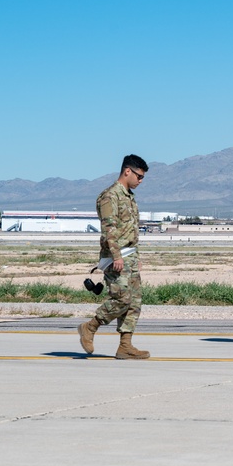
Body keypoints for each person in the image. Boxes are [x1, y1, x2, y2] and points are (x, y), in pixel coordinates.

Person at [78, 154, 151, 359]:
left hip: (130, 256)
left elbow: (129, 230)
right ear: (127, 171)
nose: (140, 181)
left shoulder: (128, 196)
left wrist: (135, 256)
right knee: (122, 298)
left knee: (134, 302)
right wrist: (117, 256)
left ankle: (125, 345)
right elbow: (109, 229)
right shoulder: (110, 196)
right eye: (139, 176)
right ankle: (90, 327)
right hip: (115, 257)